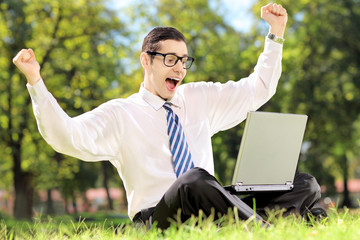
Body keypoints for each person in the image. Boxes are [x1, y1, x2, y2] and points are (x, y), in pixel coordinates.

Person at [13, 3, 323, 229]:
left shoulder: (198, 97)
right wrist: (36, 83)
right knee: (195, 180)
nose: (179, 68)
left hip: (208, 205)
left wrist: (276, 34)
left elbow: (258, 89)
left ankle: (313, 225)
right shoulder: (121, 114)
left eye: (184, 61)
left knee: (302, 184)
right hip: (157, 218)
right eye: (170, 59)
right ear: (145, 60)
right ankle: (263, 231)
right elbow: (66, 136)